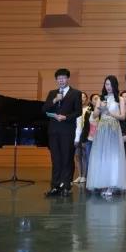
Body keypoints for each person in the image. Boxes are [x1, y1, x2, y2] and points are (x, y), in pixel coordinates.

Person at [86, 76, 126, 197]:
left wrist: (109, 112)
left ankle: (112, 184)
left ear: (115, 85)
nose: (108, 87)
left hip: (114, 128)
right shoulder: (101, 98)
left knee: (113, 156)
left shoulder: (120, 99)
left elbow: (123, 116)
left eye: (110, 84)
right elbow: (95, 115)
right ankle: (103, 183)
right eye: (106, 84)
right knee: (102, 156)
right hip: (102, 129)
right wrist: (100, 107)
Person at [42, 68, 83, 197]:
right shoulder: (52, 93)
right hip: (53, 131)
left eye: (63, 78)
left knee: (67, 158)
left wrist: (66, 117)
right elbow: (44, 109)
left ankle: (66, 186)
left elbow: (78, 112)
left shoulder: (76, 93)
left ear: (68, 79)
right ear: (56, 80)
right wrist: (54, 100)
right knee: (56, 159)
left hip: (67, 130)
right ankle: (55, 186)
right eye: (59, 78)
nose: (61, 80)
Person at [73, 92, 90, 184]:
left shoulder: (89, 109)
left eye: (84, 97)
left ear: (86, 99)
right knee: (77, 155)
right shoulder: (75, 110)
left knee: (84, 155)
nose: (82, 99)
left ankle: (84, 176)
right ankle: (79, 175)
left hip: (86, 135)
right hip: (76, 135)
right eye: (80, 97)